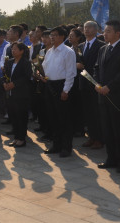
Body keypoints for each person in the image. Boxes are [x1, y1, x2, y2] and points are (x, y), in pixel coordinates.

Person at [94, 20, 120, 173]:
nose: (105, 34)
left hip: (118, 96)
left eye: (108, 31)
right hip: (103, 96)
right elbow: (96, 68)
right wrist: (97, 83)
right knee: (107, 129)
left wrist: (109, 86)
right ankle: (111, 158)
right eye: (104, 31)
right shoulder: (103, 49)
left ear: (118, 33)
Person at [40, 26, 76, 157]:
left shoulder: (68, 52)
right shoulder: (49, 51)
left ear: (62, 36)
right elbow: (45, 67)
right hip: (49, 85)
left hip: (62, 85)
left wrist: (66, 90)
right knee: (53, 117)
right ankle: (56, 145)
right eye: (51, 35)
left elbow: (71, 72)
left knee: (64, 118)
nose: (52, 37)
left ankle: (66, 147)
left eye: (55, 35)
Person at [79, 21, 105, 150]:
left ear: (95, 30)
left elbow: (99, 64)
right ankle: (91, 136)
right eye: (85, 28)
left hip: (95, 83)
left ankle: (99, 139)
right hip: (83, 82)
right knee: (87, 112)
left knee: (97, 113)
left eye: (89, 27)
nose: (87, 30)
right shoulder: (80, 46)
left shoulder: (101, 45)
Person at [3, 42, 32, 147]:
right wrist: (4, 83)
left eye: (15, 49)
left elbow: (27, 77)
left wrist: (14, 84)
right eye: (12, 49)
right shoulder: (10, 62)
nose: (13, 51)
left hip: (21, 94)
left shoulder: (26, 62)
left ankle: (22, 138)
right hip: (10, 93)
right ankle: (16, 137)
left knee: (21, 116)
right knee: (13, 116)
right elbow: (5, 75)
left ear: (21, 51)